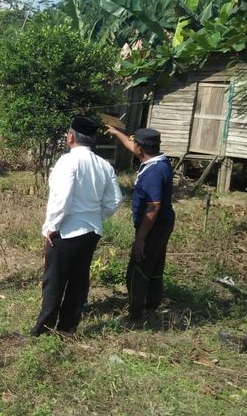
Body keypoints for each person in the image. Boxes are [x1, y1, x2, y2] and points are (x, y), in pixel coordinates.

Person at [31, 116, 123, 336]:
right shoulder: (104, 165)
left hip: (67, 231)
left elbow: (62, 198)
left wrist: (51, 226)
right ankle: (67, 328)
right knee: (78, 281)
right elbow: (115, 200)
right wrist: (96, 216)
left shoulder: (68, 162)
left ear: (71, 137)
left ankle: (43, 330)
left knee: (54, 281)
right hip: (92, 230)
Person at [105, 126, 175, 323]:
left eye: (134, 143)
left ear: (140, 149)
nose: (132, 145)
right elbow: (131, 145)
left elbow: (154, 206)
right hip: (163, 224)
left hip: (153, 227)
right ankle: (151, 307)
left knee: (138, 269)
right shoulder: (158, 160)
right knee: (155, 265)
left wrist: (140, 238)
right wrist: (116, 133)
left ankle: (135, 316)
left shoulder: (153, 172)